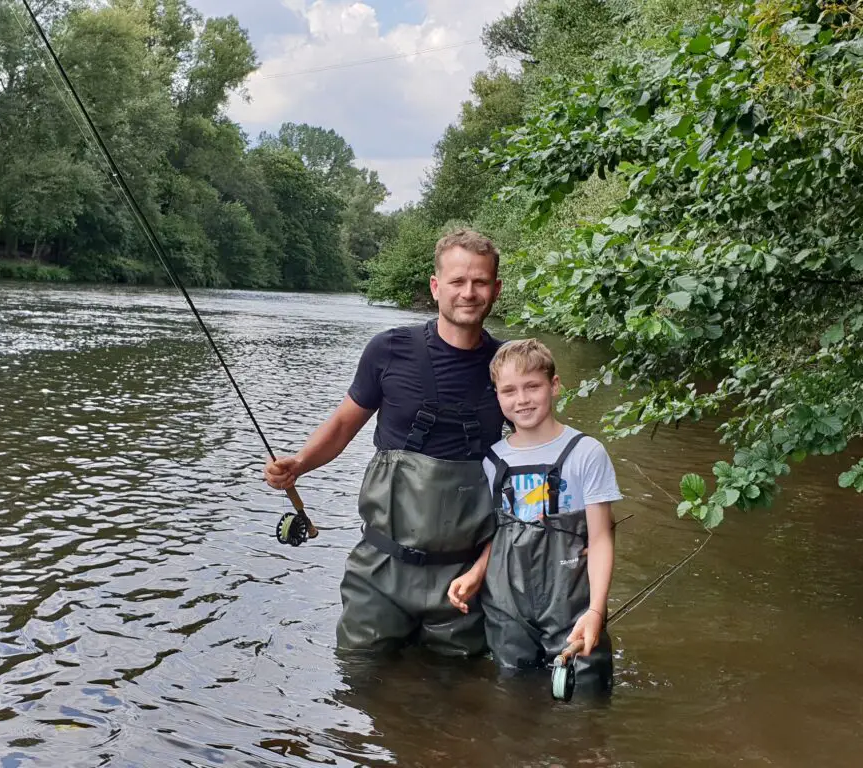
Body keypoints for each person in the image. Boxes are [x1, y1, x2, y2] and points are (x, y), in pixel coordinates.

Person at [264, 229, 506, 655]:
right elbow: (342, 426)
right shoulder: (388, 350)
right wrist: (298, 465)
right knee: (358, 680)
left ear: (496, 289)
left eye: (480, 282)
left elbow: (536, 461)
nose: (468, 293)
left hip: (466, 578)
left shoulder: (509, 371)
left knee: (457, 697)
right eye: (457, 281)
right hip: (380, 569)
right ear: (436, 287)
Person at [447, 338, 621, 692]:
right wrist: (477, 573)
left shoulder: (587, 453)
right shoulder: (492, 460)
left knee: (585, 699)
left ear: (554, 386)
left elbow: (601, 537)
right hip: (506, 603)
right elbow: (499, 530)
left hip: (571, 603)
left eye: (532, 387)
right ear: (497, 396)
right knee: (513, 700)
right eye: (509, 390)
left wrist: (596, 613)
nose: (522, 399)